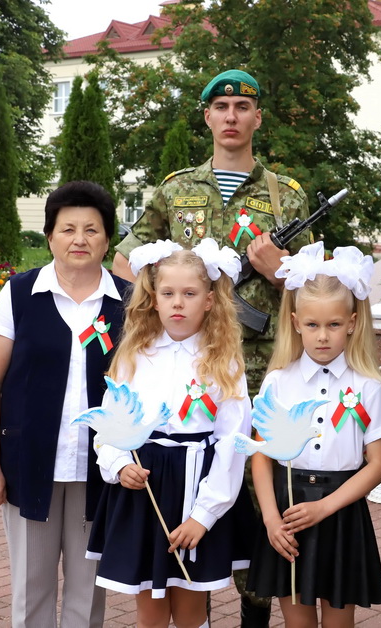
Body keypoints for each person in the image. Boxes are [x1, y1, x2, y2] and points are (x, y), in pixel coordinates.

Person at [112, 68, 310, 627]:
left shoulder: (285, 194)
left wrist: (280, 273)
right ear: (206, 116)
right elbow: (126, 257)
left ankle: (255, 614)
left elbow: (319, 289)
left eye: (241, 107)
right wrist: (162, 305)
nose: (230, 116)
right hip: (191, 368)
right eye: (220, 106)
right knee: (189, 489)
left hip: (266, 368)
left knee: (259, 492)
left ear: (257, 118)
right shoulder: (176, 190)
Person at [0, 181, 128, 628]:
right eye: (68, 229)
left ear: (107, 238)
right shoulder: (17, 296)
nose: (80, 239)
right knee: (31, 590)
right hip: (29, 466)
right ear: (50, 236)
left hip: (101, 470)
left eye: (92, 230)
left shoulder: (130, 304)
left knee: (88, 594)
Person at [86, 239, 255, 628]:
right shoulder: (134, 355)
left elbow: (232, 442)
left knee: (191, 608)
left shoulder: (224, 362)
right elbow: (110, 424)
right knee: (150, 606)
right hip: (144, 489)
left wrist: (204, 515)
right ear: (154, 299)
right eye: (168, 293)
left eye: (189, 293)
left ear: (210, 300)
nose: (178, 302)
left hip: (198, 487)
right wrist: (117, 464)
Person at [246, 242, 381, 627]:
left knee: (337, 623)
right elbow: (261, 455)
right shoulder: (279, 382)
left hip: (340, 512)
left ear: (351, 322)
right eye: (312, 325)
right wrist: (269, 519)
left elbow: (378, 465)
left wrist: (325, 507)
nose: (322, 337)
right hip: (288, 511)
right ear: (296, 322)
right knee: (297, 622)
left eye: (333, 325)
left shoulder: (369, 386)